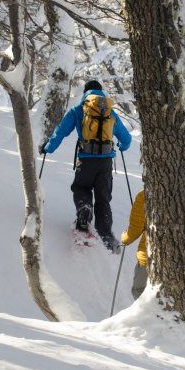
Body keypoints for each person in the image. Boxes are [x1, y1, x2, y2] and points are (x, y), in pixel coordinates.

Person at [40, 80, 132, 250]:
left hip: (86, 160)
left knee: (81, 187)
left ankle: (84, 212)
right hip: (105, 162)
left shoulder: (78, 110)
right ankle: (105, 232)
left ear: (85, 92)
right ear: (101, 92)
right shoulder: (110, 112)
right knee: (103, 197)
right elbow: (127, 139)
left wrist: (47, 148)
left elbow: (60, 132)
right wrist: (121, 146)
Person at [121, 190, 148, 299]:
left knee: (140, 294)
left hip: (148, 258)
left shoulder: (145, 194)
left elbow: (135, 230)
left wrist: (125, 239)